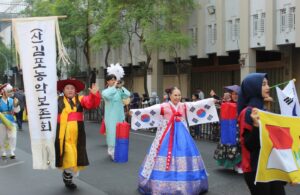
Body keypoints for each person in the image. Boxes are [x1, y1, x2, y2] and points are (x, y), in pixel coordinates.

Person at [136, 87, 208, 194]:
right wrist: (135, 112)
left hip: (182, 135)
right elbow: (149, 111)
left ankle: (187, 184)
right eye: (175, 95)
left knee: (184, 153)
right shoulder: (164, 106)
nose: (178, 97)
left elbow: (197, 105)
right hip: (167, 134)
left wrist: (211, 101)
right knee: (160, 153)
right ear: (170, 96)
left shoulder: (183, 105)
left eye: (179, 95)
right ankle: (160, 185)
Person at [237, 73, 286, 195]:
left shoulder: (263, 110)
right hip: (255, 169)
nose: (268, 87)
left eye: (267, 84)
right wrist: (256, 126)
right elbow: (249, 145)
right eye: (263, 84)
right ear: (253, 88)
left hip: (271, 165)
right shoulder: (247, 113)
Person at [55, 78, 100, 190]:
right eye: (67, 88)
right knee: (68, 156)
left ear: (75, 91)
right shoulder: (56, 100)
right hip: (63, 134)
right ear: (63, 90)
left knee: (76, 156)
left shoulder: (80, 99)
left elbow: (91, 103)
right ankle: (67, 176)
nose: (70, 90)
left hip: (78, 135)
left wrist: (94, 95)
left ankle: (67, 175)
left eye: (72, 88)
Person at [213, 85, 242, 173]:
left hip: (238, 127)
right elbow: (221, 103)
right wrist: (215, 99)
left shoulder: (242, 104)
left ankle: (239, 165)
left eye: (236, 94)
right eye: (233, 94)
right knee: (228, 146)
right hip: (229, 128)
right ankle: (232, 164)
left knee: (238, 146)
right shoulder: (228, 103)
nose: (235, 96)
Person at [102, 74, 130, 160]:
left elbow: (127, 95)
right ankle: (111, 151)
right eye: (111, 80)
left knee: (120, 133)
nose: (114, 81)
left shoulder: (118, 91)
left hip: (120, 116)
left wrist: (121, 87)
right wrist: (114, 87)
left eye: (115, 79)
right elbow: (107, 95)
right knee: (112, 133)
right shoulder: (105, 91)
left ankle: (118, 151)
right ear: (107, 81)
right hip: (110, 117)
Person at [0, 83, 20, 159]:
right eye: (8, 91)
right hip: (1, 122)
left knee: (13, 137)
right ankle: (3, 151)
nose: (10, 93)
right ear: (3, 92)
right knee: (2, 137)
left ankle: (12, 151)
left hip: (11, 121)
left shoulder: (12, 100)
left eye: (11, 91)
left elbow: (17, 111)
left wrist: (16, 104)